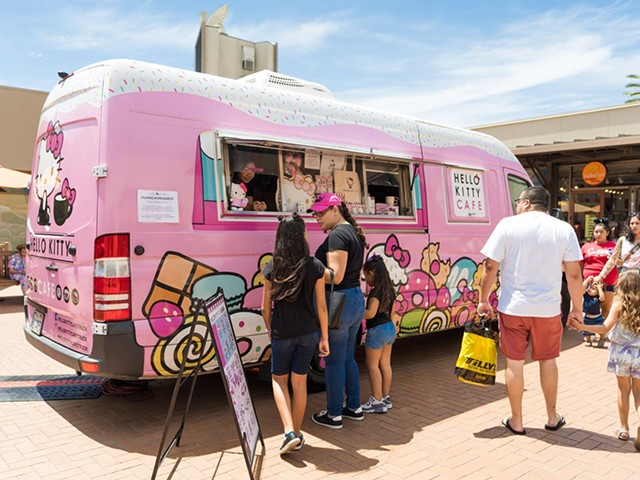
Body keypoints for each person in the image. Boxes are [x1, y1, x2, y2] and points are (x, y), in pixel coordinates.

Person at [477, 186, 583, 435]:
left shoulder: (507, 225)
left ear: (526, 203)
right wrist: (577, 309)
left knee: (514, 362)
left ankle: (517, 420)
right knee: (548, 360)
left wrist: (483, 300)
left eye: (518, 201)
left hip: (513, 307)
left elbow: (490, 266)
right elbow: (575, 273)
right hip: (547, 309)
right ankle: (552, 416)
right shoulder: (563, 229)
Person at [261, 213, 330, 454]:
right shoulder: (315, 266)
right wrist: (324, 337)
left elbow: (265, 308)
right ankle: (297, 435)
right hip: (309, 333)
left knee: (279, 380)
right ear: (302, 236)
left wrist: (270, 330)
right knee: (299, 382)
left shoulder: (272, 267)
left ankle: (289, 430)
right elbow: (322, 306)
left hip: (283, 333)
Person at [307, 192, 367, 429]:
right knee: (348, 358)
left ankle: (334, 414)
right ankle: (354, 407)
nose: (317, 217)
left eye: (321, 212)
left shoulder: (338, 235)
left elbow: (336, 275)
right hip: (354, 299)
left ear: (335, 210)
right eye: (315, 213)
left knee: (332, 361)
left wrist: (308, 268)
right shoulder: (351, 232)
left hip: (339, 302)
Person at [569, 269, 640, 448]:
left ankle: (624, 428)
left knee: (623, 390)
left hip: (621, 353)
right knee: (639, 393)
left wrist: (581, 326)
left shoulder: (618, 305)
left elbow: (604, 328)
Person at [360, 255, 396, 414]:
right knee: (385, 365)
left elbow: (370, 314)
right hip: (389, 329)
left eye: (366, 275)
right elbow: (392, 313)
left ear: (372, 273)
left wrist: (357, 309)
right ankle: (385, 397)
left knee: (372, 365)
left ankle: (376, 400)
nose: (365, 279)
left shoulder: (375, 293)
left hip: (377, 331)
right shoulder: (389, 289)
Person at [581, 219, 617, 318]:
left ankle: (602, 333)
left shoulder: (614, 246)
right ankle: (592, 331)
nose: (598, 234)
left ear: (607, 233)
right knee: (591, 310)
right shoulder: (586, 246)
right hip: (590, 284)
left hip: (608, 282)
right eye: (596, 232)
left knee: (606, 309)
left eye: (601, 232)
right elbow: (580, 264)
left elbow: (618, 261)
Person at [594, 213, 640, 283]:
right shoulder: (623, 240)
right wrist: (601, 276)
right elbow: (613, 259)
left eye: (637, 223)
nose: (634, 226)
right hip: (625, 276)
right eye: (632, 223)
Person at [581, 278, 605, 348]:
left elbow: (603, 298)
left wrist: (599, 288)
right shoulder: (586, 295)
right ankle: (588, 340)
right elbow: (581, 289)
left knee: (601, 330)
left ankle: (601, 339)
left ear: (597, 292)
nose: (590, 289)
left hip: (597, 317)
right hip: (588, 317)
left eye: (593, 289)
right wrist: (587, 281)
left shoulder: (598, 297)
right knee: (587, 330)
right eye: (589, 287)